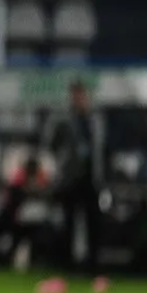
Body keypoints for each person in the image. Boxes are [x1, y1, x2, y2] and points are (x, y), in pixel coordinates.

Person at [42, 80, 103, 271]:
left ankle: (92, 263)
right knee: (68, 222)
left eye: (81, 95)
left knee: (93, 221)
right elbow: (51, 143)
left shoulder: (94, 119)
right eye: (75, 95)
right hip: (70, 178)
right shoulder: (64, 119)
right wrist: (63, 161)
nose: (79, 99)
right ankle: (67, 263)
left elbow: (100, 147)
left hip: (91, 177)